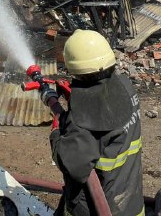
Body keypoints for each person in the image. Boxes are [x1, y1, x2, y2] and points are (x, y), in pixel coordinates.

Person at [40, 29, 144, 216]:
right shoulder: (125, 87)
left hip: (96, 208)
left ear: (73, 68)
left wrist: (57, 130)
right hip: (131, 203)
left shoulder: (83, 118)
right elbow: (104, 120)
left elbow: (71, 166)